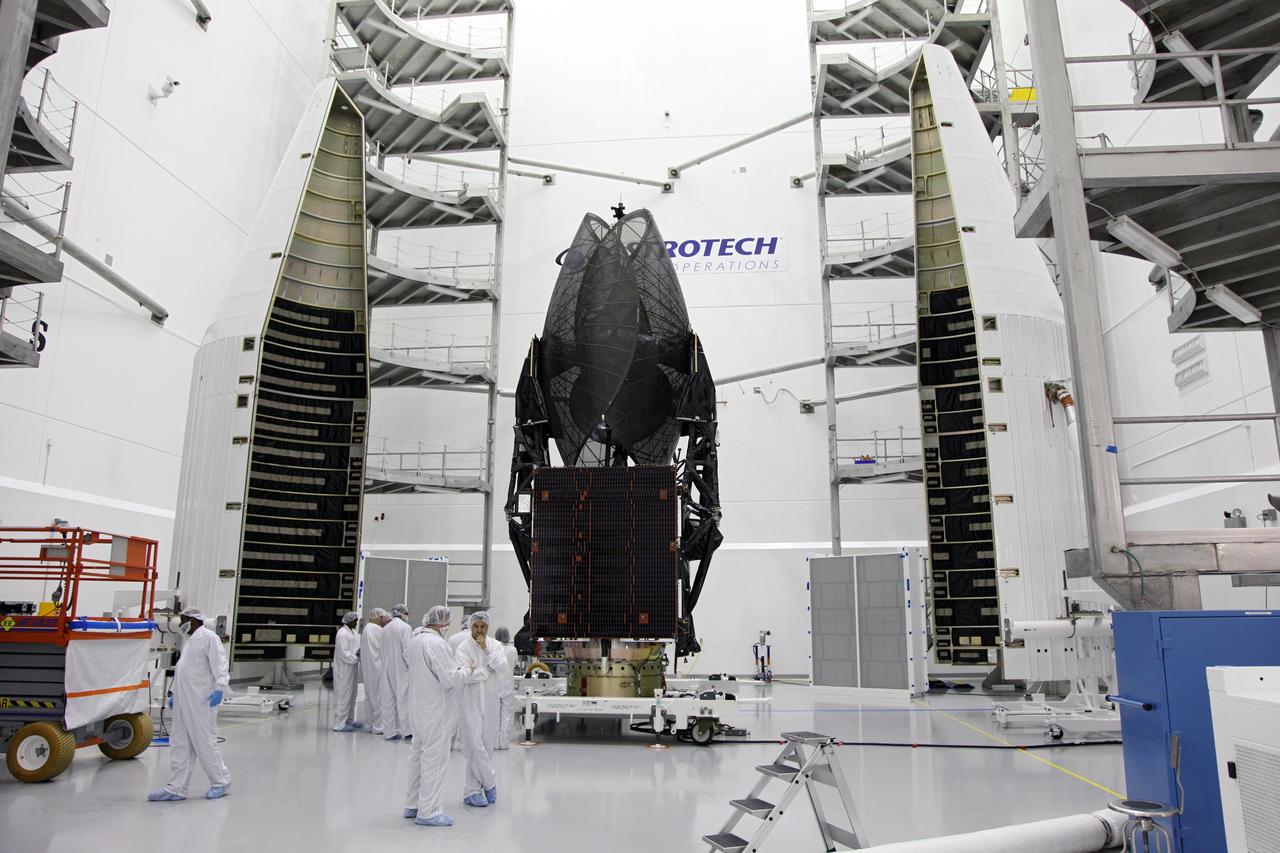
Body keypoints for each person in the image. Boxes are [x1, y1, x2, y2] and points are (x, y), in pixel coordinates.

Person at [404, 605, 481, 828]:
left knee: (417, 758)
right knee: (434, 762)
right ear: (440, 622)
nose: (448, 625)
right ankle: (428, 811)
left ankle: (412, 804)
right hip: (435, 712)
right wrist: (467, 669)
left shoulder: (416, 640)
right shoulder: (435, 643)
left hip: (418, 709)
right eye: (447, 621)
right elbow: (450, 679)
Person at [147, 608, 232, 802]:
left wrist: (220, 688)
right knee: (179, 743)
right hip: (185, 702)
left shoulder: (209, 637)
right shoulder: (190, 640)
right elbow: (186, 672)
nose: (181, 623)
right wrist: (175, 695)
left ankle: (221, 780)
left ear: (193, 620)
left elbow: (220, 665)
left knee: (204, 741)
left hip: (202, 700)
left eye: (183, 619)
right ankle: (177, 787)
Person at [455, 610, 508, 807]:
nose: (479, 630)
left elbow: (502, 666)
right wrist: (485, 671)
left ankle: (472, 791)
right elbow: (464, 674)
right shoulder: (463, 647)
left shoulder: (495, 645)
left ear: (488, 626)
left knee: (486, 746)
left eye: (483, 626)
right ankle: (490, 782)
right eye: (475, 626)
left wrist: (485, 650)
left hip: (491, 700)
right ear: (470, 626)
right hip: (470, 701)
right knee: (474, 745)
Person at [381, 603, 413, 740]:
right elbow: (407, 650)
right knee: (403, 699)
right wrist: (412, 666)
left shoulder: (386, 628)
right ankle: (407, 731)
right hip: (401, 669)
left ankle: (389, 732)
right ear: (403, 613)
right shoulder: (405, 627)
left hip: (387, 668)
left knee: (388, 700)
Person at [331, 611, 362, 732]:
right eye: (355, 620)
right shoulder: (342, 633)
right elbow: (343, 652)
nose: (356, 623)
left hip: (351, 668)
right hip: (344, 669)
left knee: (352, 695)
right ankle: (339, 724)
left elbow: (353, 648)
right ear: (349, 621)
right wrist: (355, 658)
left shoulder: (352, 632)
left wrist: (358, 653)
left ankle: (349, 720)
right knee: (343, 696)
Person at [361, 609, 386, 735]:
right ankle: (378, 727)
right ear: (375, 617)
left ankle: (369, 724)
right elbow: (384, 647)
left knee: (370, 697)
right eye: (381, 617)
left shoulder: (367, 628)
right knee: (378, 697)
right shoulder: (376, 629)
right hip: (377, 667)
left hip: (369, 668)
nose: (383, 620)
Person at [492, 626, 519, 750]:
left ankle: (495, 742)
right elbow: (514, 665)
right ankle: (504, 742)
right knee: (506, 714)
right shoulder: (513, 649)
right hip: (508, 684)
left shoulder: (493, 649)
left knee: (495, 714)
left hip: (495, 685)